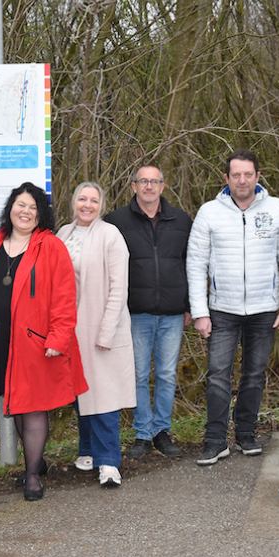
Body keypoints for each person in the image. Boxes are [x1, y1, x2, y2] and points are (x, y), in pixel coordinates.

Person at [186, 149, 279, 466]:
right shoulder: (209, 212)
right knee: (218, 375)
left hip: (265, 309)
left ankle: (246, 434)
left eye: (247, 174)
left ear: (257, 176)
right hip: (222, 309)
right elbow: (196, 264)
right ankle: (214, 440)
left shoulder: (276, 210)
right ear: (226, 179)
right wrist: (200, 312)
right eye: (235, 175)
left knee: (254, 375)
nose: (242, 180)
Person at [0, 182, 88, 501]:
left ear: (41, 214)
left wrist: (58, 337)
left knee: (34, 407)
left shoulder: (50, 247)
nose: (25, 212)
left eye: (32, 207)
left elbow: (65, 297)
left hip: (37, 342)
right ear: (10, 208)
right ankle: (35, 461)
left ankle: (33, 476)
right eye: (20, 205)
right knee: (15, 406)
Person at [105, 165, 191, 459]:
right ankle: (143, 433)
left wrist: (190, 305)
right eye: (143, 181)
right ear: (133, 186)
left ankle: (161, 431)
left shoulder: (180, 220)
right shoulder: (116, 221)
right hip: (135, 313)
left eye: (155, 181)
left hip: (172, 313)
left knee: (167, 374)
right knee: (139, 374)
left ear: (163, 186)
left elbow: (191, 264)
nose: (149, 187)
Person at [57, 182, 136, 488]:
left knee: (104, 396)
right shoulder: (64, 234)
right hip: (71, 327)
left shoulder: (110, 235)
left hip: (101, 326)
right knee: (80, 391)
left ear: (101, 205)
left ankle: (109, 462)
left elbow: (119, 287)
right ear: (73, 201)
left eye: (93, 200)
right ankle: (88, 450)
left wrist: (107, 330)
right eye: (82, 199)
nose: (87, 205)